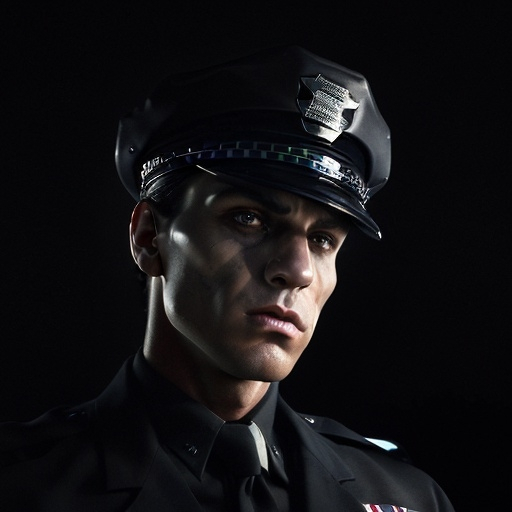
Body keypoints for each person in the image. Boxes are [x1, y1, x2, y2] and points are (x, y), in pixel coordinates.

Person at [0, 45, 455, 511]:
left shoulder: (406, 497)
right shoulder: (24, 489)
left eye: (322, 239)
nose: (297, 271)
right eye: (248, 219)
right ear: (149, 236)